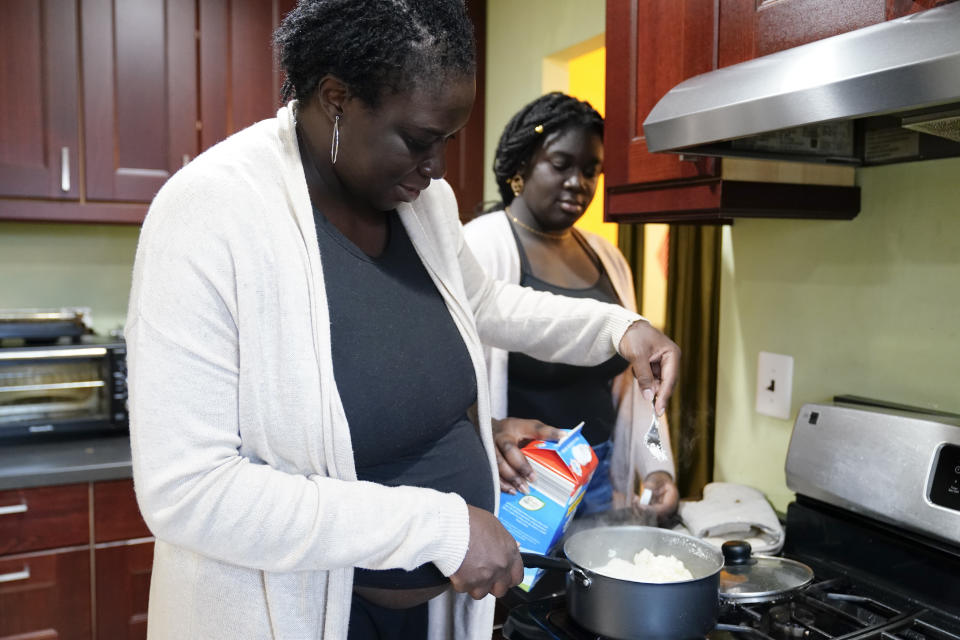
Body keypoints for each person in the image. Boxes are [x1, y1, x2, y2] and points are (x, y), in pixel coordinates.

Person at [125, 3, 680, 640]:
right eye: (418, 140)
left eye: (448, 139)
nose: (439, 167)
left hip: (433, 614)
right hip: (288, 616)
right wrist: (438, 528)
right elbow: (190, 493)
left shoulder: (425, 206)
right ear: (336, 99)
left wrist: (618, 329)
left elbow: (486, 303)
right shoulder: (210, 213)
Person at [464, 93, 680, 522]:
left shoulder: (609, 259)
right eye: (561, 165)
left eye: (590, 171)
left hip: (596, 477)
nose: (577, 182)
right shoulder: (481, 246)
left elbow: (640, 393)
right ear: (522, 167)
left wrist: (656, 468)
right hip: (518, 479)